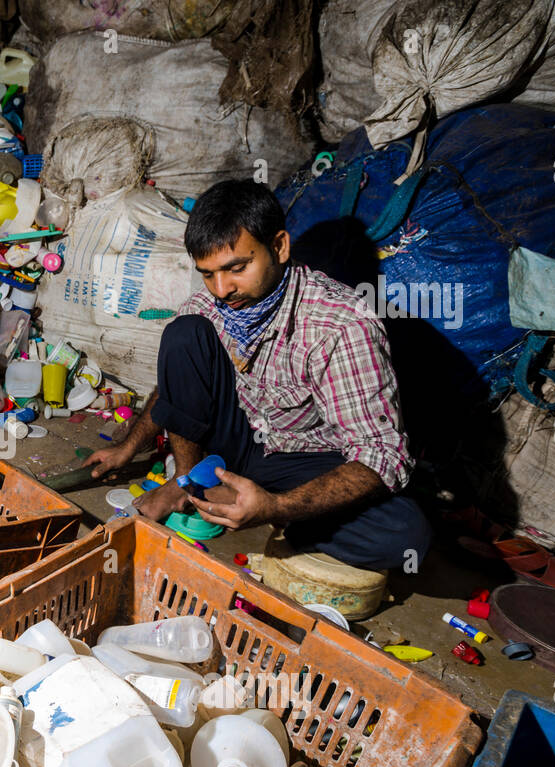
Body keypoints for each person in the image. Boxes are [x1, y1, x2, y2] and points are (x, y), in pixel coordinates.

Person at [85, 179, 431, 571]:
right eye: (208, 273)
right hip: (237, 439)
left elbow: (382, 454)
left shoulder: (342, 326)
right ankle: (187, 482)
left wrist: (276, 506)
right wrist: (129, 446)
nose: (222, 288)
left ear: (279, 247)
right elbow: (176, 386)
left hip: (302, 458)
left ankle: (278, 512)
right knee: (184, 334)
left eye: (237, 268)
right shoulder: (209, 305)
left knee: (406, 538)